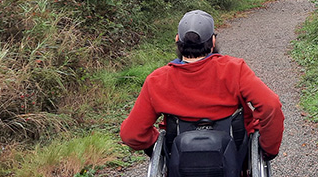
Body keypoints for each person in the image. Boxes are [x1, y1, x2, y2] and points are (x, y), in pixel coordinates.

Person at [120, 9, 283, 159]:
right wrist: (268, 149)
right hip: (236, 157)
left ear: (177, 40)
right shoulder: (234, 70)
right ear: (212, 41)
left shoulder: (157, 80)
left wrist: (158, 145)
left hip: (180, 160)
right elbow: (271, 105)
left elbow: (131, 134)